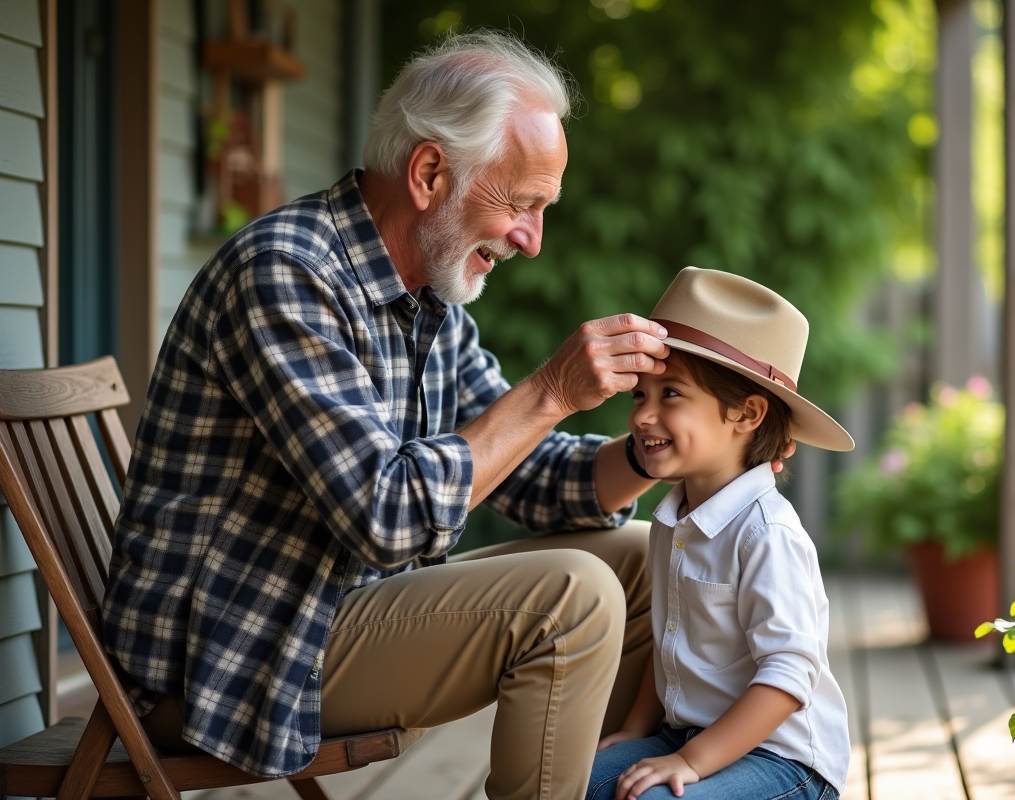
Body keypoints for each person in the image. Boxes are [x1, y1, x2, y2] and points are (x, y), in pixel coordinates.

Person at [101, 31, 673, 800]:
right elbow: (386, 516)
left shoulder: (428, 299)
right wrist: (551, 391)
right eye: (522, 203)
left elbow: (525, 472)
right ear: (430, 172)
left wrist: (649, 449)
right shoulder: (286, 273)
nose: (532, 241)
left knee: (639, 558)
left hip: (335, 611)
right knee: (571, 595)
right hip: (229, 659)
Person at [587, 267, 855, 800]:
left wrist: (688, 761)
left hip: (783, 759)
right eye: (640, 396)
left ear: (746, 412)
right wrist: (637, 732)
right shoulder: (672, 520)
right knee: (574, 784)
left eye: (672, 395)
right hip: (685, 733)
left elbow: (787, 676)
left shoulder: (766, 534)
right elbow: (671, 645)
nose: (643, 417)